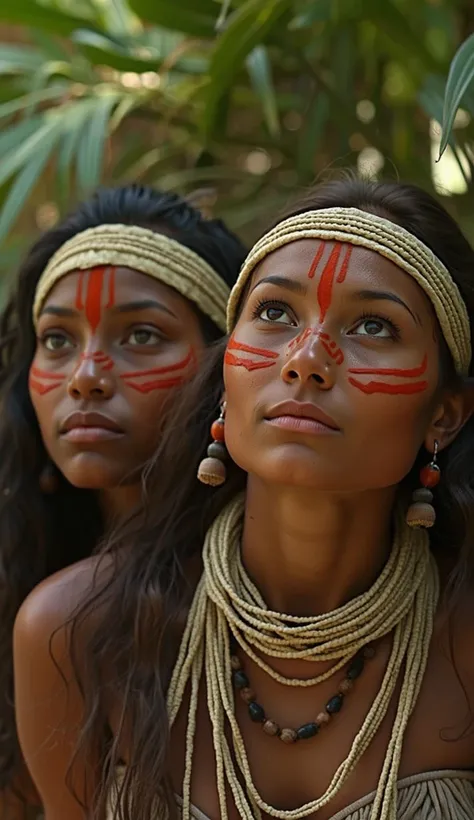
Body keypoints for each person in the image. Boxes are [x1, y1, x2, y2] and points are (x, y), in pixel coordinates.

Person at [13, 176, 474, 820]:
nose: (306, 358)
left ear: (445, 416)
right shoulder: (75, 634)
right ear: (226, 374)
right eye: (276, 313)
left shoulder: (462, 643)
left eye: (373, 324)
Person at [0, 184, 246, 816]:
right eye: (56, 340)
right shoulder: (34, 603)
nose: (85, 376)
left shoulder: (294, 583)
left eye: (140, 334)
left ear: (232, 364)